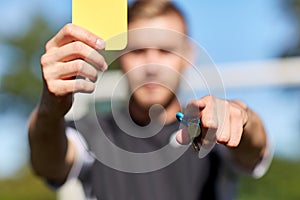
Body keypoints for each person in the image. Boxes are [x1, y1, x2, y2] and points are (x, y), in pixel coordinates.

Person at [28, 1, 272, 199]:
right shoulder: (93, 132)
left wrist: (241, 117)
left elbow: (254, 148)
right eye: (138, 51)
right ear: (120, 56)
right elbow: (47, 163)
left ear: (188, 54)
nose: (152, 66)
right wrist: (50, 108)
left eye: (165, 51)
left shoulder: (214, 127)